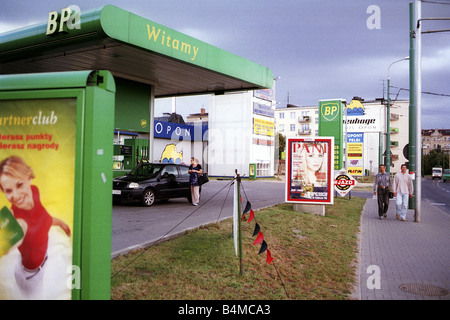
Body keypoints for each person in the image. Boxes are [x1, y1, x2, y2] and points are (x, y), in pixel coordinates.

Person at [0, 156, 71, 298]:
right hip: (30, 278)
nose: (15, 195)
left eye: (19, 185)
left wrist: (61, 223)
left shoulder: (34, 192)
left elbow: (42, 216)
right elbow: (5, 245)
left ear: (29, 178)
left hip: (44, 261)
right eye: (8, 191)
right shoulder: (16, 220)